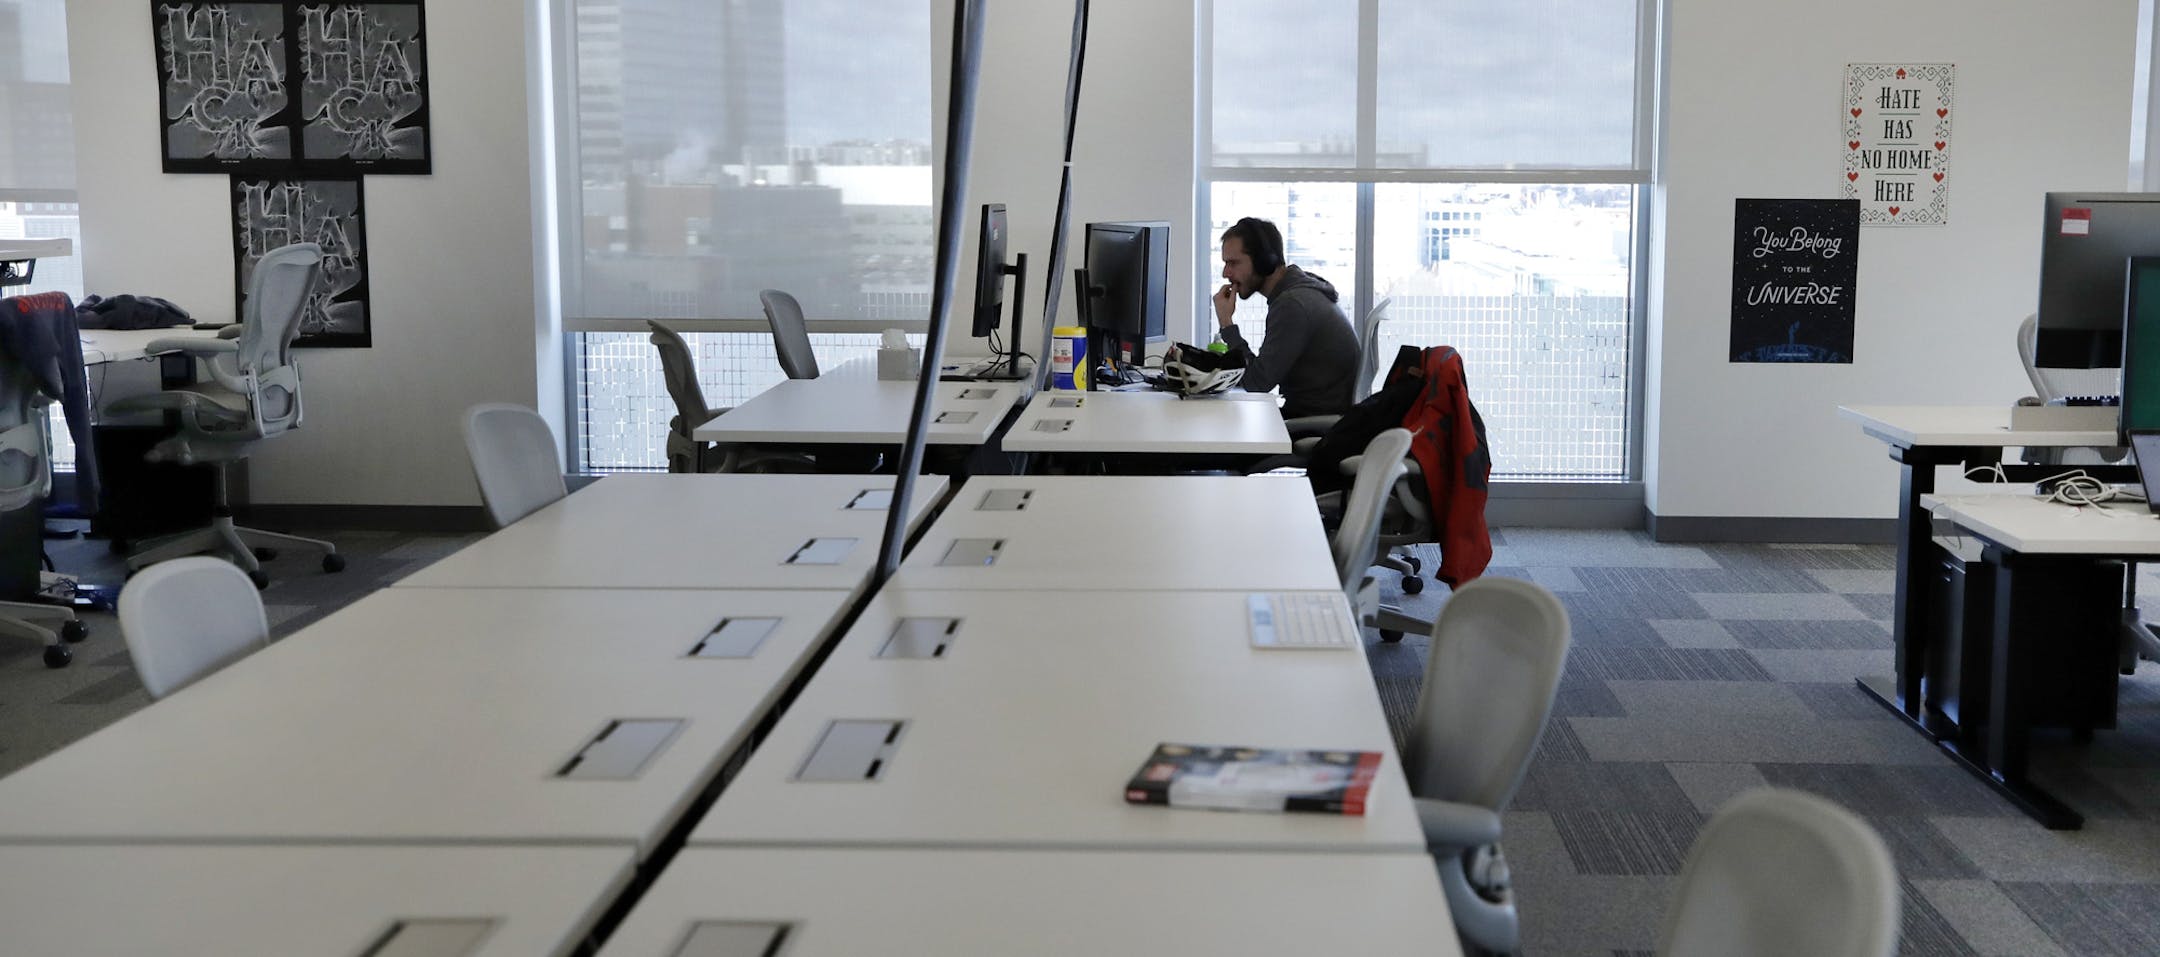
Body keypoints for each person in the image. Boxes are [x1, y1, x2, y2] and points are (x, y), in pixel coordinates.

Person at [1186, 217, 1361, 419]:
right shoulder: (1300, 291)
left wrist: (1226, 323)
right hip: (1314, 414)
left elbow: (1256, 384)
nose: (1226, 273)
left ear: (1264, 262)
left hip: (1309, 424)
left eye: (1233, 263)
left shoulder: (1293, 305)